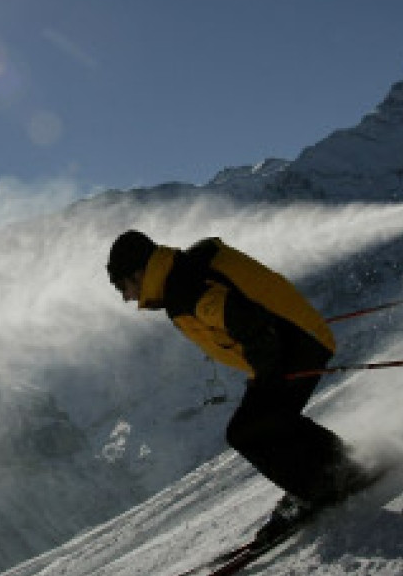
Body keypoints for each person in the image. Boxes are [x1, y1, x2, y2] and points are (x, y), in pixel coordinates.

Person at [106, 229, 378, 542]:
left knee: (247, 430)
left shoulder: (185, 288)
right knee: (270, 419)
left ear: (139, 272)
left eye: (122, 286)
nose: (126, 297)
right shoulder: (183, 273)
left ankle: (321, 484)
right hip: (294, 339)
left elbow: (249, 323)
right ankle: (339, 468)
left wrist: (269, 374)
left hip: (292, 346)